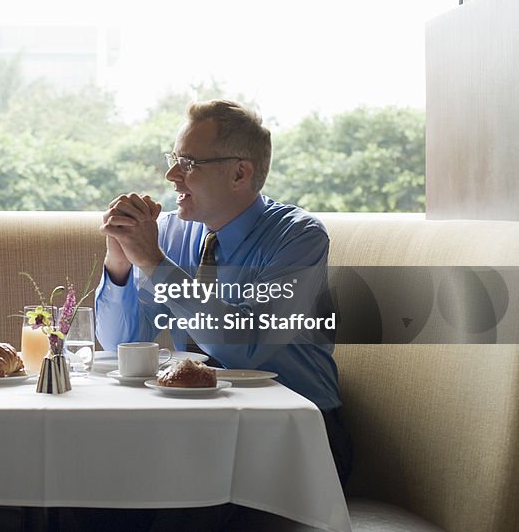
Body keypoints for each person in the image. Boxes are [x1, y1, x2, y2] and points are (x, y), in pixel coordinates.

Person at [96, 99, 352, 490]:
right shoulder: (169, 233)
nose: (171, 175)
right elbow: (120, 345)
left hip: (298, 434)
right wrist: (120, 263)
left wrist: (152, 260)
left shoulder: (299, 238)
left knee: (172, 505)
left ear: (239, 173)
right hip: (201, 428)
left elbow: (246, 345)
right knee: (93, 487)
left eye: (188, 164)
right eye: (173, 159)